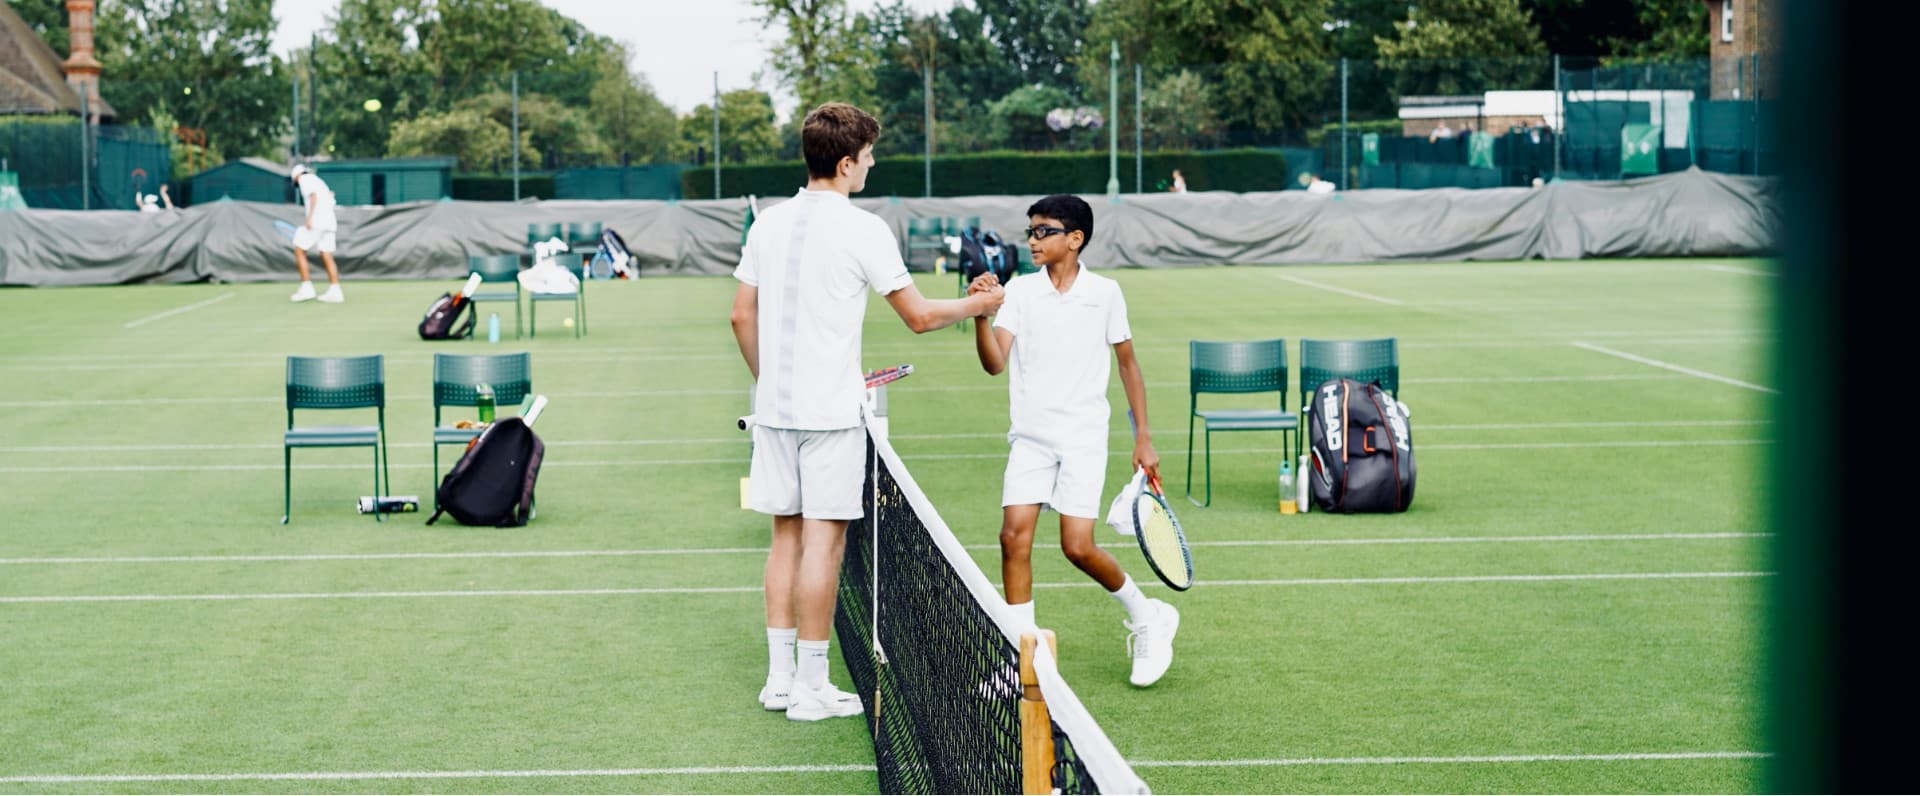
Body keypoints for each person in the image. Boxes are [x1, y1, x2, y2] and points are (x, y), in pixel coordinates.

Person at [729, 102, 1004, 722]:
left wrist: (772, 386)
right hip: (830, 416)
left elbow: (741, 316)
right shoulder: (865, 229)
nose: (873, 166)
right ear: (847, 163)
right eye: (869, 157)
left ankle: (780, 681)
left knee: (784, 538)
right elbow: (919, 317)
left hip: (774, 411)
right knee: (824, 545)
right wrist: (981, 306)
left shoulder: (766, 223)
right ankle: (810, 687)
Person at [966, 194, 1180, 688]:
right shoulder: (1019, 292)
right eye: (1030, 231)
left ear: (1075, 239)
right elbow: (995, 363)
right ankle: (1024, 659)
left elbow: (1128, 364)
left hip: (1083, 437)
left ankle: (1147, 615)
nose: (1033, 240)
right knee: (1012, 538)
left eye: (1044, 231)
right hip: (1030, 438)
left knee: (1077, 547)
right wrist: (980, 314)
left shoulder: (1106, 293)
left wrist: (1143, 438)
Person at [287, 164, 343, 303]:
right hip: (330, 222)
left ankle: (307, 288)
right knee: (326, 253)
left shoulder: (304, 180)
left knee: (299, 249)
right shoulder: (319, 181)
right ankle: (335, 291)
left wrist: (309, 219)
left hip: (317, 221)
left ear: (296, 176)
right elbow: (331, 197)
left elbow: (313, 196)